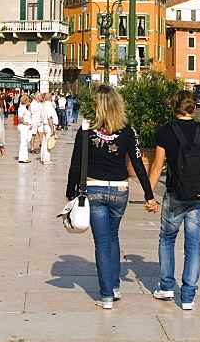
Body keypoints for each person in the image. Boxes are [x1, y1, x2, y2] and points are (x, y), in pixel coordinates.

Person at [65, 84, 157, 309]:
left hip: (94, 190)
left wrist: (70, 191)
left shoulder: (85, 129)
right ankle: (114, 286)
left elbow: (76, 163)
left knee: (102, 241)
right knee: (113, 237)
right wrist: (149, 194)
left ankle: (106, 294)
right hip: (119, 191)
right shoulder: (128, 131)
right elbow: (138, 164)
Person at [148, 90, 200, 311]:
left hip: (175, 193)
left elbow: (158, 166)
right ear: (193, 108)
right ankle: (188, 296)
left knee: (167, 238)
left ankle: (167, 286)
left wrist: (149, 195)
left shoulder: (166, 132)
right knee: (194, 242)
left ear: (174, 107)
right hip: (198, 195)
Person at [39, 93, 57, 165]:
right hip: (49, 125)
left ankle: (43, 157)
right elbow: (49, 117)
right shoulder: (49, 105)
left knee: (44, 141)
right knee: (48, 141)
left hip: (45, 124)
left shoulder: (43, 105)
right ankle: (46, 159)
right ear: (50, 98)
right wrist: (52, 128)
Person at [16, 94, 32, 163]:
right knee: (23, 142)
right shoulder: (22, 108)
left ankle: (25, 157)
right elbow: (20, 116)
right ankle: (22, 157)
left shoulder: (24, 108)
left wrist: (29, 106)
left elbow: (29, 112)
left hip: (26, 126)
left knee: (25, 142)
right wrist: (24, 122)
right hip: (23, 126)